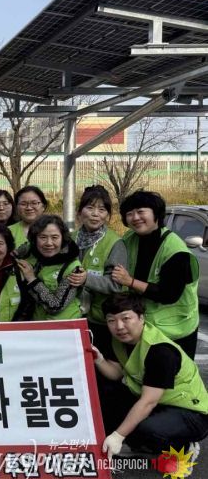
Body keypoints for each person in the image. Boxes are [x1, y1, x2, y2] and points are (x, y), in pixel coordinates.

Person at [96, 293, 208, 459]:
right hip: (159, 403)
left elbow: (149, 402)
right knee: (107, 397)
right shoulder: (120, 341)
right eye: (111, 320)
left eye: (126, 318)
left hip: (191, 414)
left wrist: (118, 436)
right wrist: (98, 360)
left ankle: (183, 447)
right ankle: (141, 445)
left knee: (148, 429)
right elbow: (116, 373)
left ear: (141, 318)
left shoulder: (160, 351)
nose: (119, 326)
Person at [111, 190, 199, 358]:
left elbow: (169, 294)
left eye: (141, 211)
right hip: (144, 327)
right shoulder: (130, 238)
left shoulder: (175, 250)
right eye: (129, 214)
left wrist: (130, 281)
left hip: (176, 331)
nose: (135, 217)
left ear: (156, 213)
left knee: (173, 373)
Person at [66, 185, 127, 350]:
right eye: (90, 207)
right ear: (79, 212)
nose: (95, 214)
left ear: (107, 215)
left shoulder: (115, 243)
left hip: (100, 321)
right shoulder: (70, 239)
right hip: (72, 316)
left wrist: (87, 279)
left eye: (102, 209)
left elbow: (116, 285)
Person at [16, 215, 82, 320]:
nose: (49, 243)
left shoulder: (73, 268)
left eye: (55, 237)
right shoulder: (30, 253)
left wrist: (32, 280)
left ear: (63, 238)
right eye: (43, 237)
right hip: (37, 322)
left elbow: (56, 306)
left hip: (64, 324)